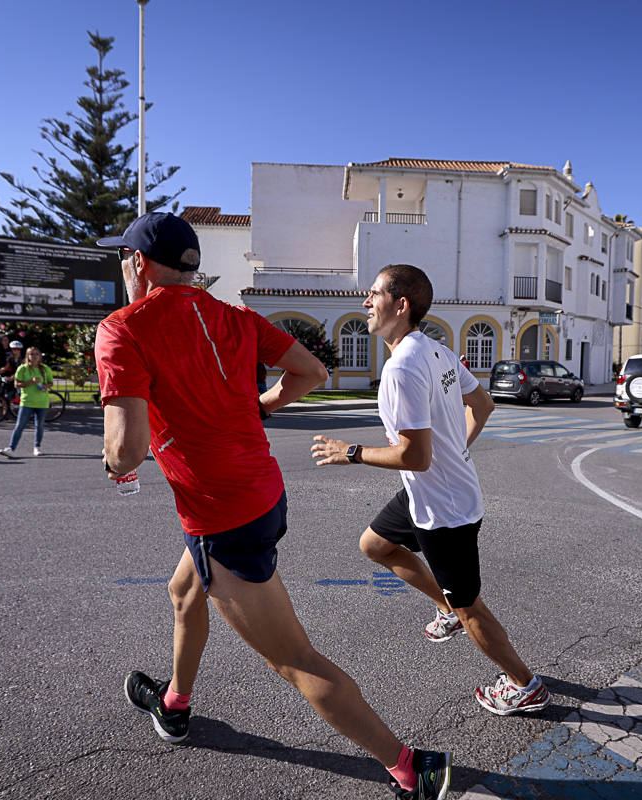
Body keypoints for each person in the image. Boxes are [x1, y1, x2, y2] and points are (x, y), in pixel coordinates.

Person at [95, 213, 450, 799]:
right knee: (185, 592)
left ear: (137, 263)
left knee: (294, 658)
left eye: (123, 260)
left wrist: (112, 463)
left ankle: (411, 767)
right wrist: (257, 407)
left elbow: (127, 450)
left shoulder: (123, 329)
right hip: (264, 493)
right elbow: (311, 371)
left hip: (222, 515)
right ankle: (176, 703)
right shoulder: (233, 315)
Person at [311, 264, 551, 717]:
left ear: (400, 305)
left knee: (470, 608)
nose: (365, 302)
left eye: (374, 294)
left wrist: (352, 452)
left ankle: (525, 684)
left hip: (445, 510)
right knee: (375, 545)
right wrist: (453, 451)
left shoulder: (401, 368)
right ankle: (445, 604)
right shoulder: (435, 350)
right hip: (431, 493)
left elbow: (414, 456)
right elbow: (482, 404)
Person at [0, 346, 53, 458]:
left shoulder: (45, 368)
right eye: (31, 354)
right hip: (27, 401)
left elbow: (50, 383)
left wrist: (45, 386)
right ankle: (11, 448)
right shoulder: (22, 369)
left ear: (40, 356)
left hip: (42, 402)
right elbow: (16, 384)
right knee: (20, 425)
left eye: (36, 354)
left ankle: (37, 447)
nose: (34, 356)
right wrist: (30, 382)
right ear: (28, 356)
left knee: (40, 426)